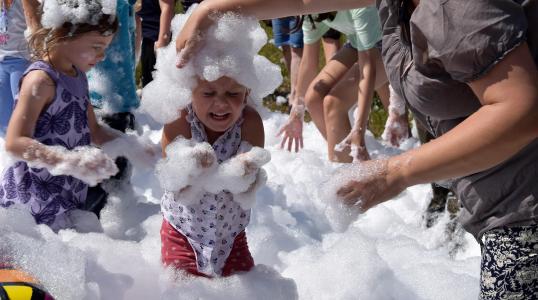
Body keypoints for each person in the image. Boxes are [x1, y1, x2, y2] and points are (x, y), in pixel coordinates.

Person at [174, 0, 538, 297]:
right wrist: (213, 8)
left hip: (524, 209)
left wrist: (396, 173)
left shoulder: (458, 7)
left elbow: (521, 111)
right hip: (498, 204)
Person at [0, 1, 149, 232]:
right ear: (64, 33)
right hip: (31, 200)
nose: (102, 56)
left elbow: (94, 131)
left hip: (65, 194)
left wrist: (131, 146)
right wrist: (67, 161)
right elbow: (14, 142)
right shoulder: (40, 80)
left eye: (105, 48)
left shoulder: (78, 77)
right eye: (97, 46)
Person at [278, 9, 408, 161]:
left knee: (334, 103)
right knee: (313, 98)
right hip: (357, 43)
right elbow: (308, 62)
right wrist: (296, 112)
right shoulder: (312, 8)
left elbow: (368, 70)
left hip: (393, 44)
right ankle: (350, 160)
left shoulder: (358, 7)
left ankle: (358, 172)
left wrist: (359, 129)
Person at [86, 0, 141, 217]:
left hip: (120, 98)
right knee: (99, 185)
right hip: (98, 99)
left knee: (117, 183)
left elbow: (129, 34)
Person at [0, 0, 39, 134]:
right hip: (2, 60)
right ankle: (10, 152)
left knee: (24, 118)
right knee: (3, 123)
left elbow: (35, 22)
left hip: (23, 59)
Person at [271, 16, 303, 103]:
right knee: (285, 46)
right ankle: (294, 88)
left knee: (296, 48)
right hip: (278, 8)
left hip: (297, 7)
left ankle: (296, 93)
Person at [137, 0, 161, 87]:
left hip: (155, 37)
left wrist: (162, 41)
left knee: (152, 81)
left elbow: (167, 8)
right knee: (146, 77)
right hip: (143, 36)